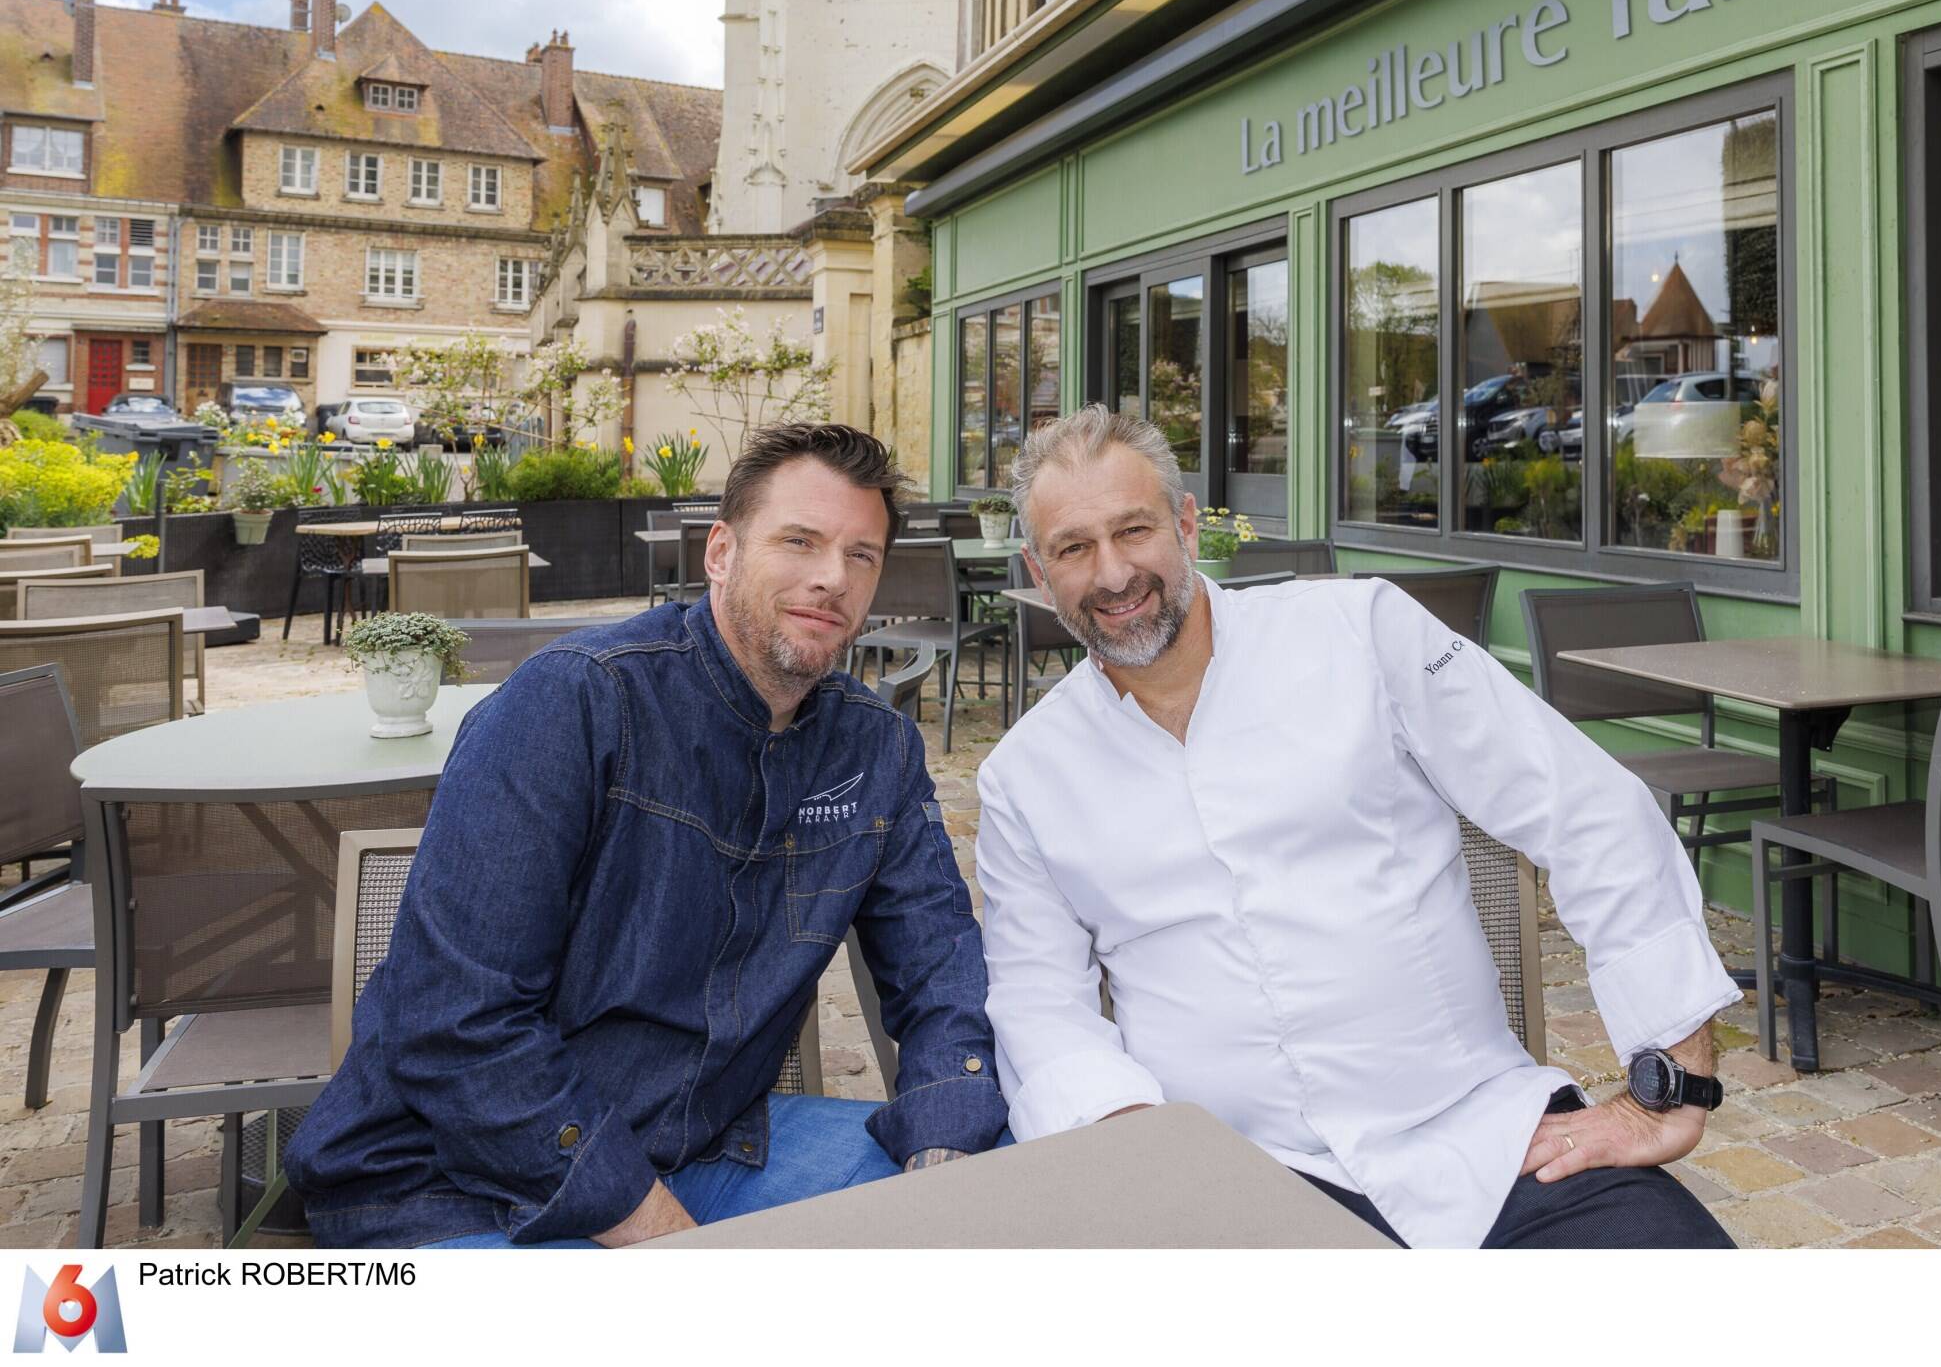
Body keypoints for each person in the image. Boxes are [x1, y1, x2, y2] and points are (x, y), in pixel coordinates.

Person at [975, 405, 1739, 1250]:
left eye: (1134, 529)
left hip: (1488, 1149)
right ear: (1038, 573)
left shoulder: (1360, 630)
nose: (1114, 572)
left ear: (1186, 524)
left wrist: (1668, 1083)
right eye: (1074, 547)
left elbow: (1583, 803)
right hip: (1229, 1185)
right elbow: (1039, 1001)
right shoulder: (1024, 778)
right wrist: (1139, 1149)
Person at [287, 423, 1006, 1247]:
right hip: (448, 1179)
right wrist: (660, 1232)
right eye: (799, 541)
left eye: (861, 555)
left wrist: (944, 1161)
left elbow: (943, 971)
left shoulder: (874, 748)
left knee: (1000, 1202)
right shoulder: (576, 703)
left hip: (702, 1146)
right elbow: (454, 1020)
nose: (830, 578)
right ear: (722, 552)